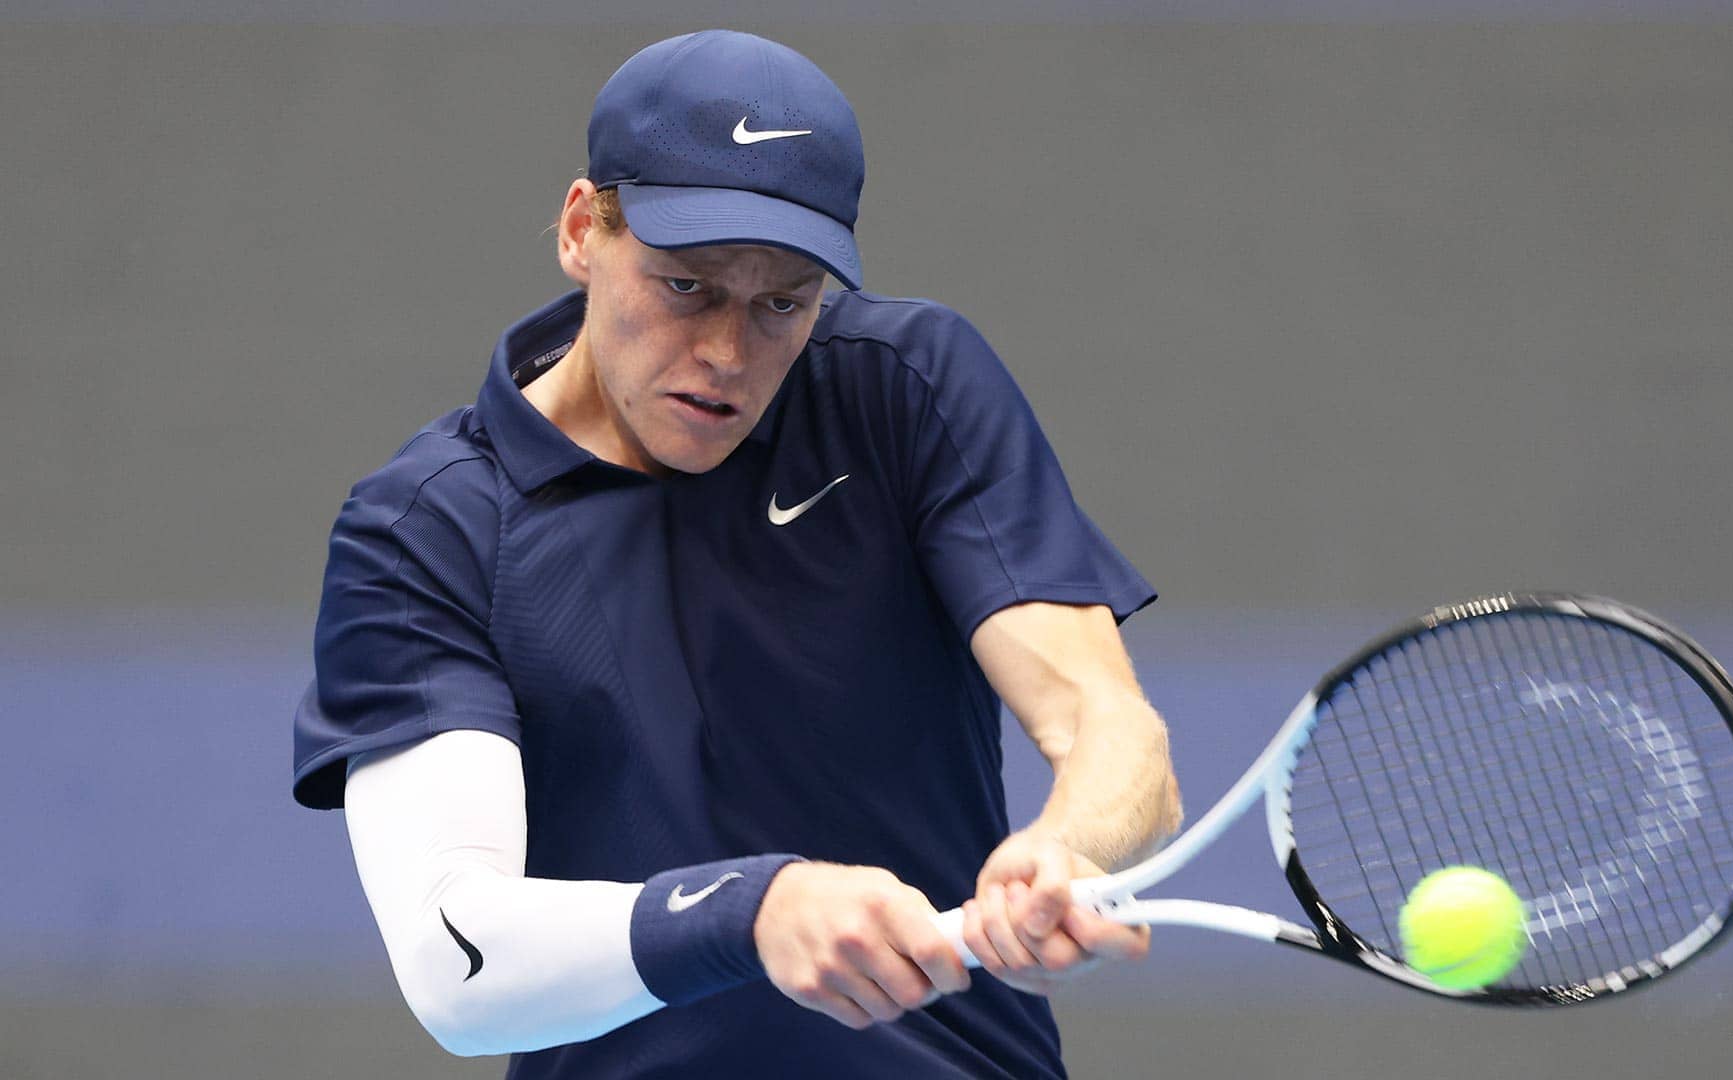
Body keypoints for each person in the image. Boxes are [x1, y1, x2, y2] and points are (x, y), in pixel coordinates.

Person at [292, 29, 1180, 1079]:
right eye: (686, 286)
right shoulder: (429, 528)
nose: (726, 353)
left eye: (781, 303)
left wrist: (1063, 852)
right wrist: (752, 911)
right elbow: (459, 965)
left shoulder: (905, 389)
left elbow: (1110, 730)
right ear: (581, 231)